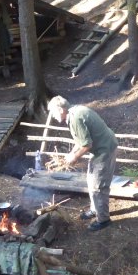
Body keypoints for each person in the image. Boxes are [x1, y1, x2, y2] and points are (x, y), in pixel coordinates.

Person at [48, 96, 118, 232]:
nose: (52, 115)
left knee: (98, 186)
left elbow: (86, 145)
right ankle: (95, 209)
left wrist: (74, 157)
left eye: (53, 112)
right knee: (91, 180)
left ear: (61, 109)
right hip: (100, 148)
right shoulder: (74, 112)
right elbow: (81, 139)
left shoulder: (75, 118)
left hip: (104, 149)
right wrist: (71, 153)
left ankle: (103, 219)